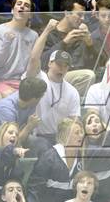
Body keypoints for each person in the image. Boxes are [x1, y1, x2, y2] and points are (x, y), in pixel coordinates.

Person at [24, 20, 80, 152]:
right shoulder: (38, 78)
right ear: (49, 63)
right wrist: (48, 30)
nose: (61, 68)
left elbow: (74, 121)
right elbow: (33, 58)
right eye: (59, 64)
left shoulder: (72, 91)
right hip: (36, 135)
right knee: (46, 148)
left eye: (65, 66)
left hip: (59, 137)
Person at [27, 118, 85, 202]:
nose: (81, 135)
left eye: (81, 132)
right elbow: (35, 186)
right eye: (77, 133)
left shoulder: (83, 158)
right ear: (65, 136)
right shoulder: (49, 157)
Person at [41, 0, 96, 96]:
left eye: (84, 15)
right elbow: (42, 62)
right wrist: (64, 42)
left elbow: (92, 65)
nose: (83, 19)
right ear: (66, 13)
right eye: (79, 15)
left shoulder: (81, 34)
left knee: (88, 75)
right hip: (50, 77)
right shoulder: (49, 32)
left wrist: (89, 45)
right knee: (88, 76)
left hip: (72, 77)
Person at [0, 0, 38, 98]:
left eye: (26, 5)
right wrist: (7, 42)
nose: (22, 7)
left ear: (30, 14)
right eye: (19, 4)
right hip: (3, 81)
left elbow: (34, 62)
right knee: (13, 97)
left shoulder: (34, 35)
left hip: (25, 83)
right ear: (12, 10)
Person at [0, 77, 46, 141]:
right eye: (41, 97)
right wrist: (29, 127)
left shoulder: (30, 103)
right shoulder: (7, 110)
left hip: (15, 135)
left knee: (41, 143)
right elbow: (12, 141)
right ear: (34, 99)